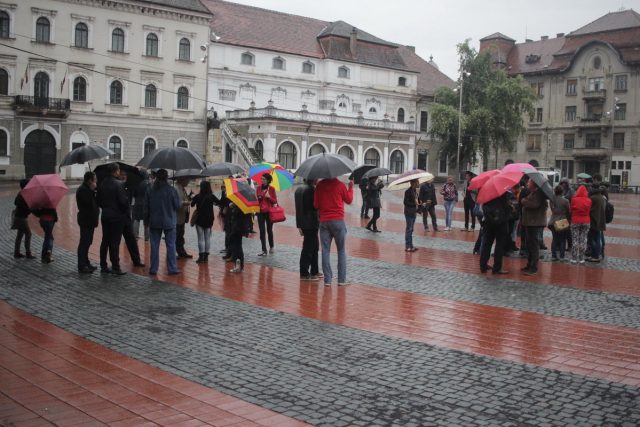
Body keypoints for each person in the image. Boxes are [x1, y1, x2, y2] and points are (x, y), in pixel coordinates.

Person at [314, 176, 354, 286]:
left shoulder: (319, 185)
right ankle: (341, 280)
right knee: (341, 250)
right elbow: (349, 200)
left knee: (325, 250)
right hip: (338, 221)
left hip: (324, 221)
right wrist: (350, 188)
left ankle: (328, 280)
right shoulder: (340, 185)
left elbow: (316, 205)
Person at [144, 169, 181, 275]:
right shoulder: (171, 190)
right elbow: (177, 205)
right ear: (166, 177)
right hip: (169, 220)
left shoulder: (150, 189)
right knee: (171, 245)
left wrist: (146, 221)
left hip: (154, 221)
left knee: (154, 245)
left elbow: (146, 207)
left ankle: (153, 268)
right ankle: (172, 268)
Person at [97, 163, 129, 275]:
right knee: (115, 242)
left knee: (105, 241)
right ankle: (115, 266)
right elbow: (123, 202)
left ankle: (103, 265)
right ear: (115, 171)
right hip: (117, 217)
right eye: (119, 170)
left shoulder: (102, 183)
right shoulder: (118, 184)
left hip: (105, 215)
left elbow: (98, 201)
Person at [520, 178, 548, 276]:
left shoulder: (538, 193)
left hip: (534, 223)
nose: (528, 183)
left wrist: (524, 201)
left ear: (534, 184)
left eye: (529, 182)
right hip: (530, 222)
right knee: (529, 244)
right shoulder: (533, 192)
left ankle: (533, 267)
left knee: (534, 245)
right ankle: (529, 264)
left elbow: (534, 204)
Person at [478, 193, 511, 274]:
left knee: (487, 244)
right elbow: (506, 208)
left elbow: (482, 208)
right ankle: (497, 268)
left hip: (488, 223)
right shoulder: (503, 193)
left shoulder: (487, 193)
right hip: (500, 223)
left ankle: (483, 265)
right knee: (499, 245)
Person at [295, 179, 321, 280]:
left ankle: (314, 270)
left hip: (304, 223)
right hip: (311, 223)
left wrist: (299, 225)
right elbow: (315, 206)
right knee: (308, 249)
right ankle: (304, 273)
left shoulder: (299, 189)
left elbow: (298, 209)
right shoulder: (311, 190)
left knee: (314, 247)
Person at [191, 180, 220, 264]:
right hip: (209, 219)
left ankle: (201, 256)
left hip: (200, 219)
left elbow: (192, 204)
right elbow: (219, 202)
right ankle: (206, 257)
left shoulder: (197, 196)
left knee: (200, 238)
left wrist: (192, 197)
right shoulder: (211, 196)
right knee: (207, 238)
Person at [76, 171, 99, 273]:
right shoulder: (83, 190)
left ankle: (86, 263)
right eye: (95, 180)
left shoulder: (87, 189)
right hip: (86, 220)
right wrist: (92, 191)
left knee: (88, 242)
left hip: (90, 221)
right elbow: (87, 203)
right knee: (84, 243)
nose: (96, 182)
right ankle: (82, 265)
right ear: (90, 180)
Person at [256, 174, 277, 256]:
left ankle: (271, 246)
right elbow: (256, 199)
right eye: (261, 179)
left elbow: (275, 201)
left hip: (269, 212)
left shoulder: (271, 189)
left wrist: (269, 197)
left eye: (264, 179)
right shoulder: (258, 188)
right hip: (260, 212)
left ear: (268, 180)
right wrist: (259, 198)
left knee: (269, 230)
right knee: (262, 231)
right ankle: (264, 250)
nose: (262, 180)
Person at [13, 179, 35, 259]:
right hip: (22, 218)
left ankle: (16, 252)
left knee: (20, 235)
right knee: (28, 234)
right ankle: (28, 253)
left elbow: (15, 202)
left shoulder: (20, 193)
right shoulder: (24, 194)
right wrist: (30, 208)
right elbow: (24, 206)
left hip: (18, 217)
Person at [570, 185, 592, 264]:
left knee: (575, 239)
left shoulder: (574, 199)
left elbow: (571, 210)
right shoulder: (589, 200)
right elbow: (589, 210)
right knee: (583, 239)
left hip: (575, 221)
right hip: (586, 221)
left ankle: (574, 258)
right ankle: (582, 258)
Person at [548, 185, 571, 262]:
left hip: (553, 220)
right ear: (562, 192)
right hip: (562, 221)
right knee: (562, 240)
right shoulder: (565, 201)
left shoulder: (552, 200)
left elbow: (552, 209)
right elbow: (569, 211)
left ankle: (554, 255)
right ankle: (562, 256)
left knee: (554, 239)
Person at [228, 202, 251, 273]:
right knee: (238, 246)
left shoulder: (240, 206)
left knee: (235, 247)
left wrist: (233, 206)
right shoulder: (247, 206)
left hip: (237, 229)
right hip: (241, 229)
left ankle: (237, 266)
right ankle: (240, 266)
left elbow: (235, 216)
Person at [175, 176, 193, 259]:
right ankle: (177, 252)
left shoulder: (182, 188)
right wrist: (184, 203)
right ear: (182, 179)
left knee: (181, 234)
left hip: (182, 216)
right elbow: (176, 202)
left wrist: (189, 197)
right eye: (187, 179)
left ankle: (181, 251)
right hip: (177, 217)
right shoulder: (176, 188)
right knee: (177, 235)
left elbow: (184, 198)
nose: (188, 181)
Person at [587, 186, 606, 263]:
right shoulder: (602, 197)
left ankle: (595, 256)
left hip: (593, 221)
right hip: (600, 221)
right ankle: (598, 254)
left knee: (591, 239)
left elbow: (589, 209)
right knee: (598, 239)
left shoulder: (592, 198)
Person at [132, 170, 150, 241]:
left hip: (138, 202)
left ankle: (135, 235)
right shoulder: (148, 184)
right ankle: (147, 237)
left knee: (136, 219)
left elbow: (134, 193)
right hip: (146, 203)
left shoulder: (136, 183)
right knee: (147, 221)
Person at [403, 179, 420, 252]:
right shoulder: (408, 191)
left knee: (411, 229)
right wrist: (415, 204)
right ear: (413, 183)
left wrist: (420, 204)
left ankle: (411, 245)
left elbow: (417, 201)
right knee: (409, 229)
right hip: (409, 212)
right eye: (417, 182)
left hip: (414, 212)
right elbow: (405, 202)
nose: (418, 183)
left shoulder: (415, 191)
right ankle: (407, 246)